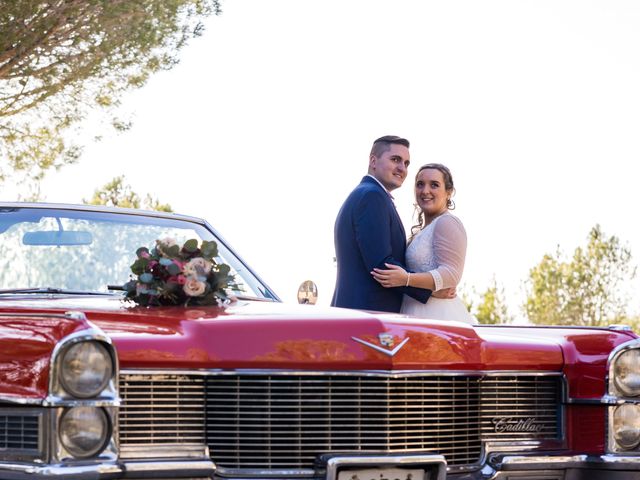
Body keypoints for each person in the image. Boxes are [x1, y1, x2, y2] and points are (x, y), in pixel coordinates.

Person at [331, 135, 432, 312]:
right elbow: (382, 266)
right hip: (367, 316)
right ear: (373, 161)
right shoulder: (372, 197)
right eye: (395, 160)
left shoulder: (366, 194)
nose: (402, 168)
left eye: (407, 163)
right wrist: (431, 288)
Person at [371, 163, 475, 324]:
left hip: (438, 316)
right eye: (420, 184)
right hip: (412, 312)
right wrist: (430, 292)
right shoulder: (422, 231)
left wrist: (407, 279)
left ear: (449, 192)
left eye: (434, 185)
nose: (425, 191)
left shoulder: (447, 222)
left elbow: (451, 274)